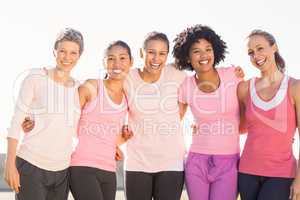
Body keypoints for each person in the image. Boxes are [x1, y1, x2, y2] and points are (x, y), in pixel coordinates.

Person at [4, 28, 83, 200]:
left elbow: (79, 128)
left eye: (73, 53)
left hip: (62, 171)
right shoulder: (35, 78)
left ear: (79, 56)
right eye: (62, 51)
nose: (67, 57)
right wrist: (9, 163)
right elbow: (16, 121)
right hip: (32, 166)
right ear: (54, 51)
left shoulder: (78, 88)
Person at [173, 24, 244, 200]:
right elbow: (173, 121)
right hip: (196, 161)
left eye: (208, 49)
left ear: (215, 52)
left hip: (229, 161)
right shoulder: (185, 85)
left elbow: (249, 115)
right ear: (187, 57)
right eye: (196, 51)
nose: (204, 55)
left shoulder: (233, 76)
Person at [237, 30, 300, 200]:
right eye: (251, 52)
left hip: (281, 173)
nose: (256, 55)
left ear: (274, 47)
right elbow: (240, 128)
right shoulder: (244, 88)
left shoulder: (295, 87)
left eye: (260, 48)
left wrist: (299, 180)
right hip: (247, 171)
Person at [123, 32, 186, 200]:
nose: (156, 58)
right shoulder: (127, 78)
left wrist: (233, 73)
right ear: (141, 53)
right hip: (137, 162)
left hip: (171, 162)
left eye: (162, 53)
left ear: (167, 55)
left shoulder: (176, 74)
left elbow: (197, 84)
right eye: (151, 52)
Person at [68, 40, 133, 200]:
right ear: (104, 62)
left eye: (122, 58)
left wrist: (121, 140)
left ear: (131, 62)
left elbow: (107, 136)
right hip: (83, 166)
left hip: (109, 170)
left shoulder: (126, 99)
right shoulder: (92, 87)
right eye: (111, 58)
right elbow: (67, 121)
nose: (116, 63)